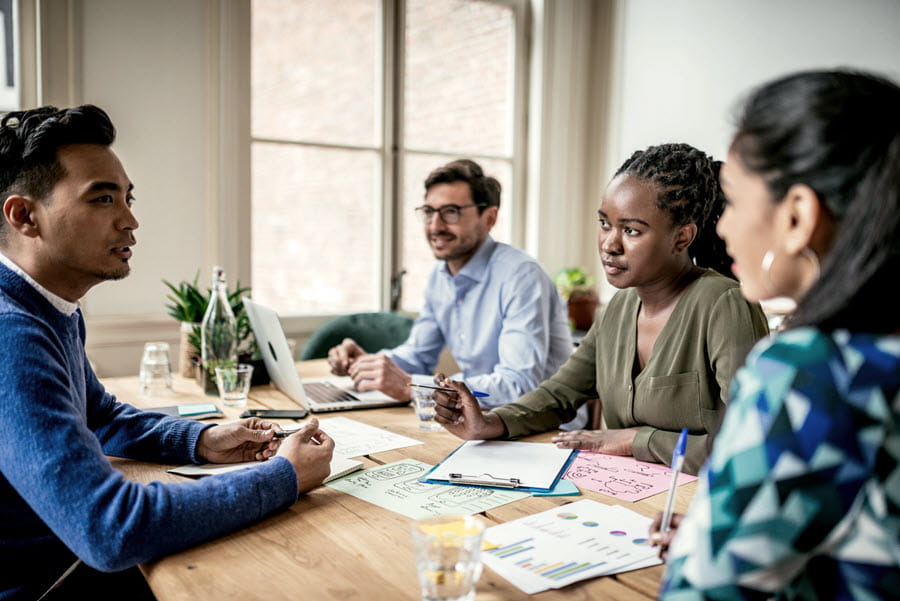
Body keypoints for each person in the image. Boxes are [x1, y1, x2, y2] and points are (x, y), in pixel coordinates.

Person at [0, 105, 335, 601]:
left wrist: (202, 440)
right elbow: (110, 528)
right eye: (102, 198)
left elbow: (101, 416)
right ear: (26, 216)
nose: (130, 220)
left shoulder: (53, 308)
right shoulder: (13, 334)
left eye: (127, 197)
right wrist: (282, 477)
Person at [651, 70, 900, 599]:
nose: (722, 228)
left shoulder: (808, 372)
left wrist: (703, 553)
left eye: (734, 201)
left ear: (798, 216)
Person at [433, 143, 769, 474]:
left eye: (632, 230)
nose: (610, 244)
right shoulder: (618, 309)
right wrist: (488, 423)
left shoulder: (724, 304)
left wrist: (637, 441)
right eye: (605, 223)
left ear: (682, 238)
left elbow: (753, 443)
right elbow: (558, 394)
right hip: (625, 499)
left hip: (697, 508)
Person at [327, 158, 584, 426]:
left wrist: (412, 386)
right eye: (429, 211)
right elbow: (418, 355)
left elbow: (518, 384)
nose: (435, 226)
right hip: (480, 420)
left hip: (545, 428)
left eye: (451, 212)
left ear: (489, 218)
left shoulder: (522, 276)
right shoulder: (440, 276)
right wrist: (370, 365)